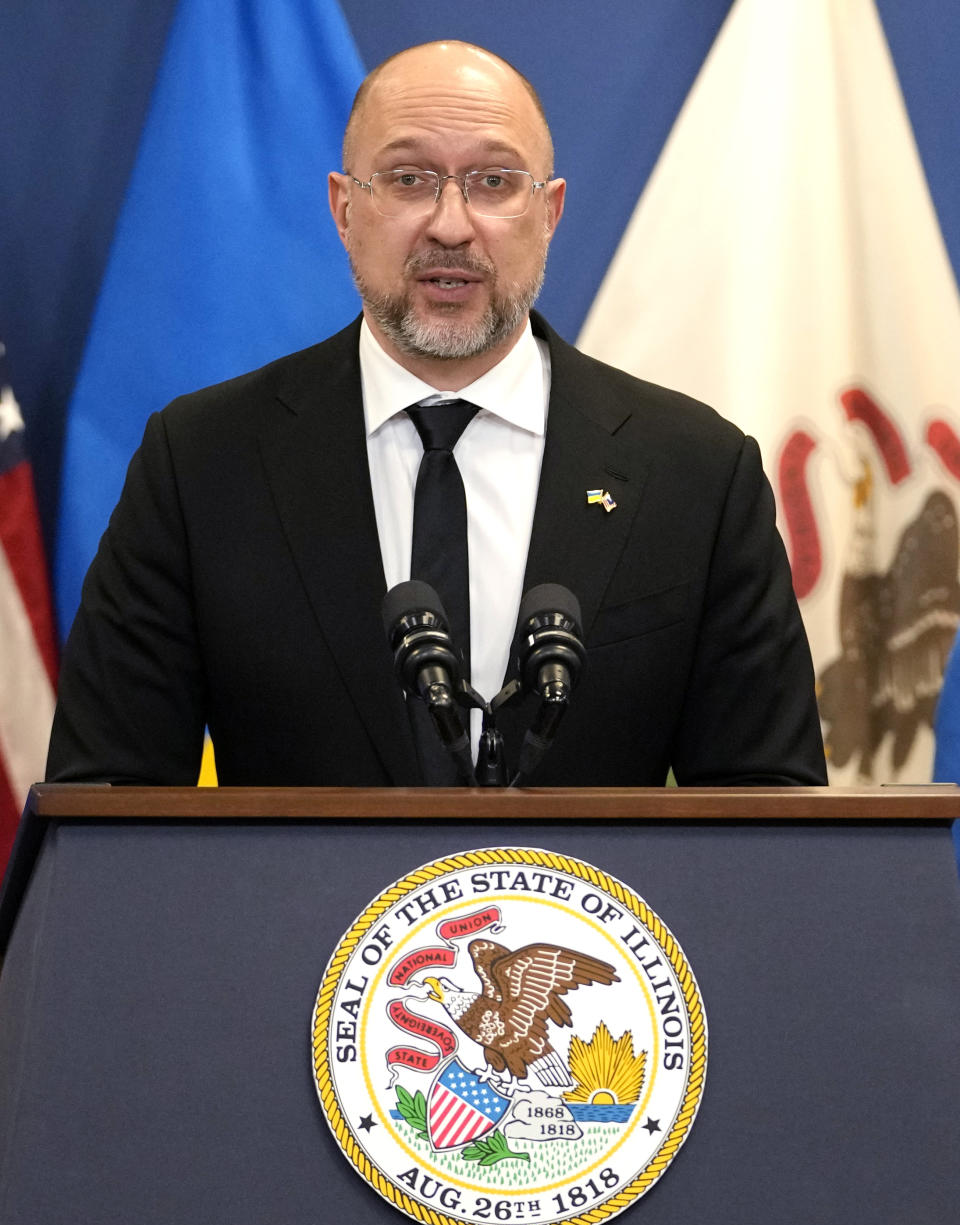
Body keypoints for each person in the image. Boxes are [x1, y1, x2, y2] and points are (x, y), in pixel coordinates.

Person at [46, 41, 826, 787]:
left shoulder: (694, 473)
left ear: (548, 212)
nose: (451, 226)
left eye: (493, 182)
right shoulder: (203, 464)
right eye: (410, 179)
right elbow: (111, 801)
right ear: (344, 207)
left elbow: (764, 807)